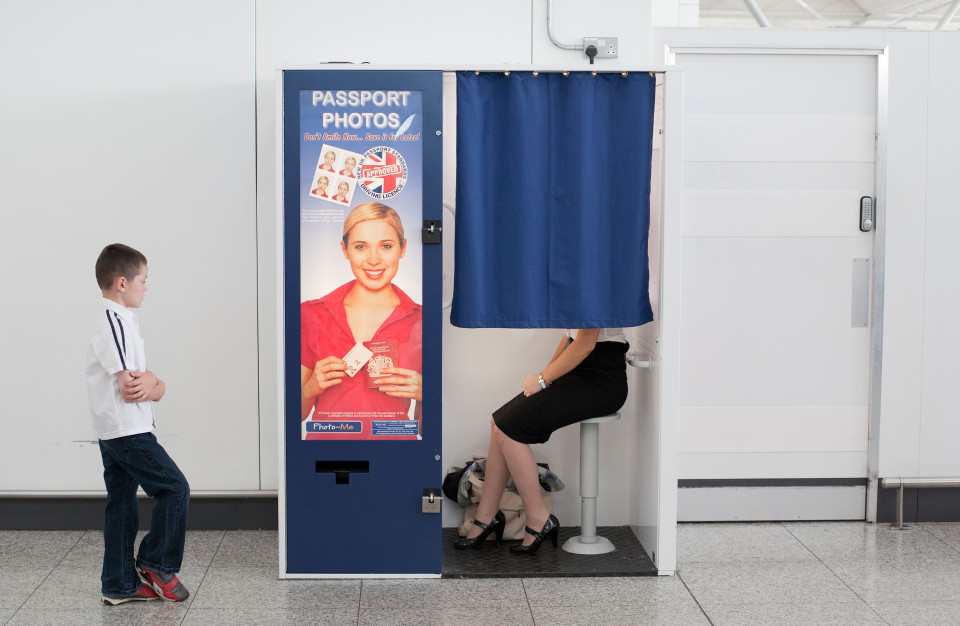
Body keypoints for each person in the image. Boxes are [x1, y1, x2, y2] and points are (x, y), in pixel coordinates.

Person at [454, 328, 628, 554]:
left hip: (600, 380)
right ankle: (486, 517)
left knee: (509, 429)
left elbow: (586, 343)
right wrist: (545, 376)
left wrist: (543, 380)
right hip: (579, 369)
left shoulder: (594, 291)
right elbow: (569, 337)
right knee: (498, 423)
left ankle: (538, 519)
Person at [86, 243, 190, 605]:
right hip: (127, 429)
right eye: (143, 280)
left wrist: (153, 382)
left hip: (118, 428)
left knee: (121, 504)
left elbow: (139, 380)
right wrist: (158, 386)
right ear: (121, 283)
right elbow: (133, 387)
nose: (147, 287)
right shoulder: (114, 321)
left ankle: (118, 584)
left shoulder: (123, 320)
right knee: (174, 487)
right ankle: (156, 563)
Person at [301, 202, 422, 440]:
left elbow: (423, 429)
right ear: (345, 250)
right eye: (360, 247)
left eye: (386, 246)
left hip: (394, 455)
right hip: (327, 456)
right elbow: (294, 416)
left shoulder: (421, 321)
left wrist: (425, 394)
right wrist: (310, 388)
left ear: (403, 247)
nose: (374, 260)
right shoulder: (310, 314)